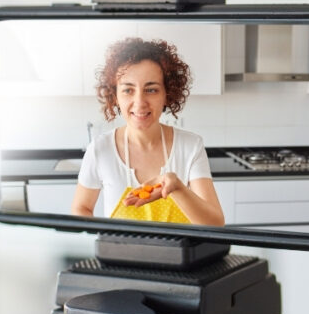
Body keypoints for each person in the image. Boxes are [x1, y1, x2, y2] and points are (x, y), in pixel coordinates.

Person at [70, 37, 225, 226]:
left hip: (178, 255)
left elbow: (215, 224)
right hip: (120, 254)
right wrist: (102, 238)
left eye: (151, 90)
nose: (140, 102)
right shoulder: (100, 149)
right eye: (128, 90)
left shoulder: (191, 146)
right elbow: (81, 208)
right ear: (115, 96)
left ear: (167, 94)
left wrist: (176, 188)